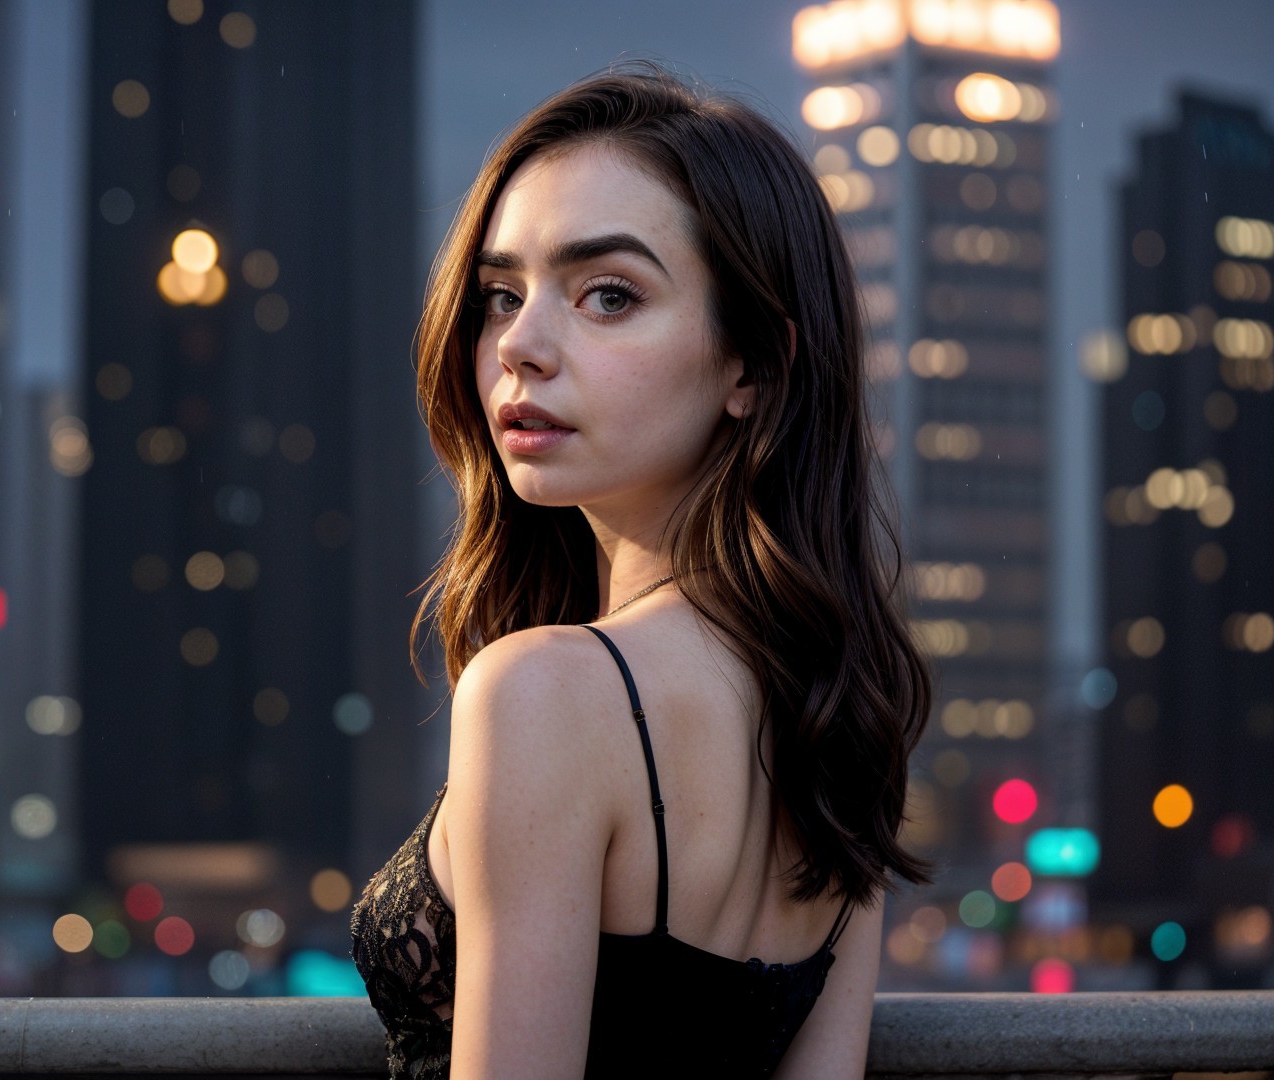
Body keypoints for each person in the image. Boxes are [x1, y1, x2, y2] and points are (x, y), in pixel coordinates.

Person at [349, 60, 937, 1078]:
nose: (520, 346)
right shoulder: (836, 706)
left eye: (608, 295)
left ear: (752, 365)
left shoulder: (544, 689)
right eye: (499, 295)